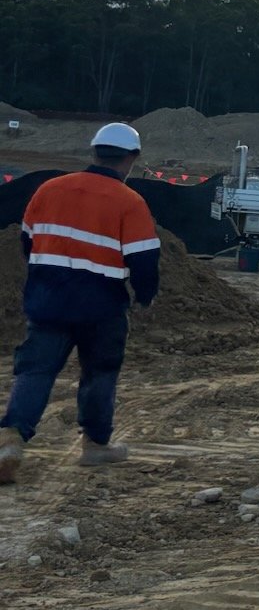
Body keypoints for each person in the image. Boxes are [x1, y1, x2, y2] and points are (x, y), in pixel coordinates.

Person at [0, 123, 159, 482]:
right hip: (101, 306)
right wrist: (145, 297)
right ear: (132, 158)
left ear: (94, 151)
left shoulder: (49, 189)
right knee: (99, 373)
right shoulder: (129, 202)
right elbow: (144, 261)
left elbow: (28, 242)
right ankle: (95, 445)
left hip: (47, 300)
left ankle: (9, 440)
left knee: (36, 370)